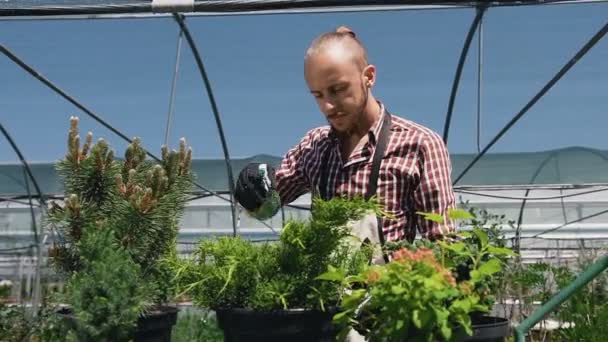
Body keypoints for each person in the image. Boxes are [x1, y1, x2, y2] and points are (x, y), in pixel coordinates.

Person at [235, 25, 456, 247]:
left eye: (338, 89)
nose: (328, 106)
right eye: (318, 95)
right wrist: (254, 189)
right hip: (325, 279)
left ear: (368, 77)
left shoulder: (420, 145)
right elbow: (268, 206)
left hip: (390, 280)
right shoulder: (314, 146)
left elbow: (443, 245)